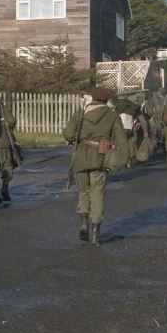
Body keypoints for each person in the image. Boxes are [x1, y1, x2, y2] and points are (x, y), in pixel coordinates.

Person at [63, 87, 127, 246]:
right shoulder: (112, 116)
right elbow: (122, 141)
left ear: (92, 98)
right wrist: (120, 161)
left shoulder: (80, 114)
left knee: (84, 191)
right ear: (107, 99)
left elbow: (67, 134)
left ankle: (84, 224)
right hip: (100, 158)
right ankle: (95, 234)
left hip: (80, 157)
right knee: (97, 193)